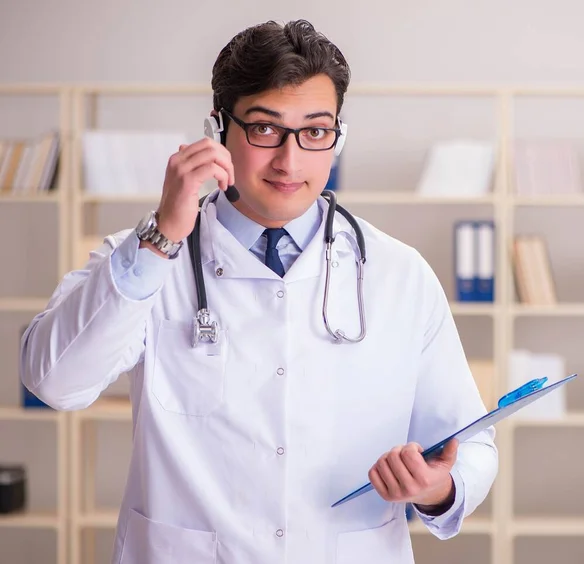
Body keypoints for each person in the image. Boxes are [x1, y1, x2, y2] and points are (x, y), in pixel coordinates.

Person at [20, 19, 497, 564]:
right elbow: (55, 382)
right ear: (218, 128)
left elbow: (470, 442)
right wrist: (161, 237)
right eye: (265, 130)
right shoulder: (142, 260)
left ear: (338, 136)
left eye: (315, 132)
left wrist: (437, 489)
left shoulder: (398, 273)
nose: (290, 162)